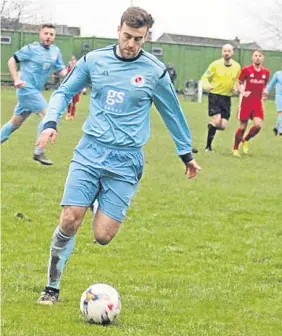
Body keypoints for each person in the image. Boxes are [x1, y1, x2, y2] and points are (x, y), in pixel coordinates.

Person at [35, 6, 201, 304]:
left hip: (126, 161)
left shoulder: (154, 71)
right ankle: (52, 286)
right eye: (127, 36)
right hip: (90, 152)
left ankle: (96, 199)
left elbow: (172, 112)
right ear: (118, 29)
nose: (131, 44)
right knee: (71, 219)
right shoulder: (94, 61)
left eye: (139, 39)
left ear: (145, 37)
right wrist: (50, 123)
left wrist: (185, 153)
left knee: (103, 235)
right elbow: (62, 92)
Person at [0, 24, 67, 165]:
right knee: (48, 114)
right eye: (46, 33)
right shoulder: (31, 49)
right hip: (26, 89)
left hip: (35, 92)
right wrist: (16, 79)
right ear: (40, 34)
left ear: (54, 37)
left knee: (15, 123)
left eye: (51, 34)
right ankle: (39, 151)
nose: (48, 36)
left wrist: (75, 75)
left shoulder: (55, 51)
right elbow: (11, 60)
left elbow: (61, 71)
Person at [201, 44, 241, 152]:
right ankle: (208, 147)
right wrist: (207, 85)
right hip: (215, 95)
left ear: (232, 53)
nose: (227, 53)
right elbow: (205, 77)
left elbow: (238, 81)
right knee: (216, 119)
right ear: (222, 52)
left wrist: (236, 88)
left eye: (229, 51)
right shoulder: (215, 65)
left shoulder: (237, 66)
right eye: (225, 51)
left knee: (222, 125)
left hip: (226, 98)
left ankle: (211, 127)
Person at [232, 49, 270, 156]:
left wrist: (264, 92)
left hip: (257, 103)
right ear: (252, 58)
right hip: (246, 102)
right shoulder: (246, 70)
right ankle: (235, 148)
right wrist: (242, 92)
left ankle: (246, 139)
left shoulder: (266, 72)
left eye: (259, 56)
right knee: (242, 127)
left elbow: (264, 86)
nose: (257, 57)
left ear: (262, 58)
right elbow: (238, 83)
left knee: (258, 125)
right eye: (255, 55)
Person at [65, 56, 82, 120]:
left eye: (74, 60)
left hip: (77, 87)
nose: (73, 61)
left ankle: (72, 115)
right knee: (69, 101)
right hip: (69, 86)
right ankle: (68, 113)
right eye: (72, 60)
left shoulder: (79, 69)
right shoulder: (69, 69)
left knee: (74, 102)